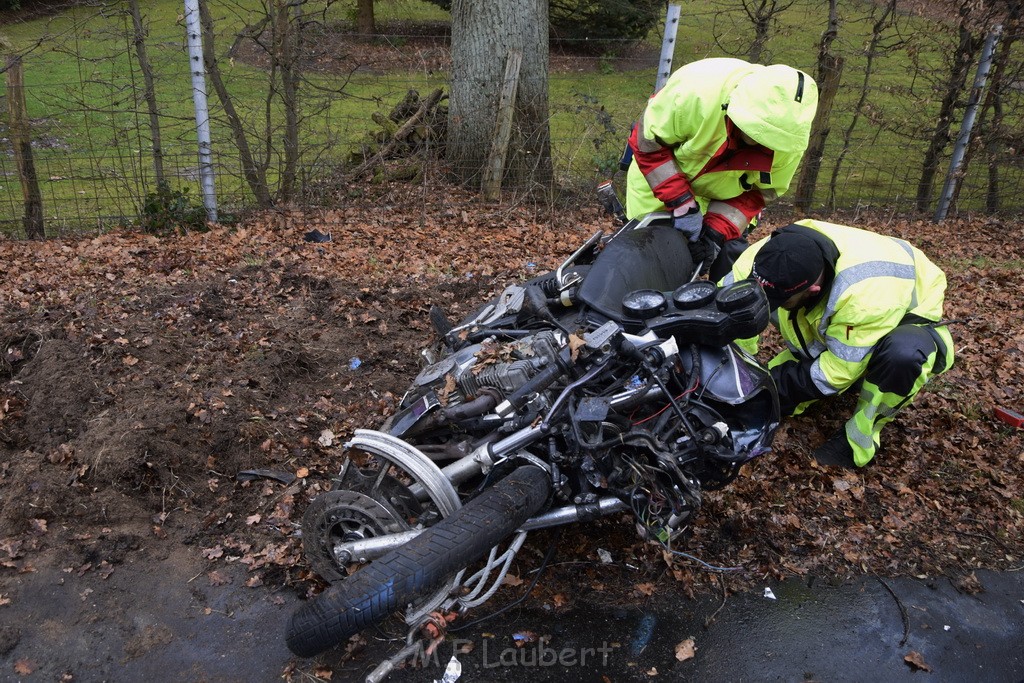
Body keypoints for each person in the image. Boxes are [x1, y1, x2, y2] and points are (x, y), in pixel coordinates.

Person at [720, 219, 955, 468]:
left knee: (903, 355)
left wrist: (772, 388)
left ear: (813, 289)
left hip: (904, 314)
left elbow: (837, 373)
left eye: (781, 299)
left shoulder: (863, 300)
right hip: (851, 308)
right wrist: (739, 374)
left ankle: (857, 442)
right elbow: (728, 315)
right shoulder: (767, 257)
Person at [624, 57, 819, 281]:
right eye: (756, 133)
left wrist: (716, 232)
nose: (760, 144)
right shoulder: (694, 93)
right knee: (645, 255)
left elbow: (761, 192)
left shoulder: (790, 142)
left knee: (729, 256)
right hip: (660, 178)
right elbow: (648, 144)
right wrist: (682, 205)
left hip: (727, 196)